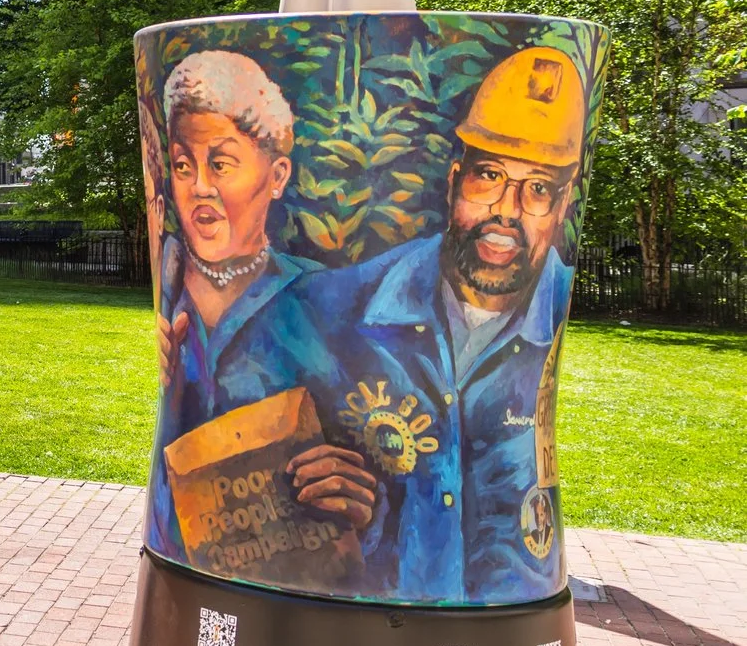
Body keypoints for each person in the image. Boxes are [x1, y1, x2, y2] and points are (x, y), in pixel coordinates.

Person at [293, 45, 587, 603]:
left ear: (564, 203)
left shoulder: (556, 308)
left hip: (510, 630)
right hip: (373, 625)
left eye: (538, 189)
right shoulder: (341, 306)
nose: (507, 210)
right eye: (489, 176)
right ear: (455, 181)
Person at [144, 50, 377, 571]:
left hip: (290, 582)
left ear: (276, 175)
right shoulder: (170, 282)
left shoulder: (322, 300)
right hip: (179, 572)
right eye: (183, 165)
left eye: (221, 164)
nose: (200, 187)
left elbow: (379, 457)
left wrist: (361, 498)